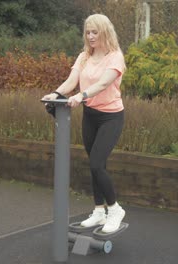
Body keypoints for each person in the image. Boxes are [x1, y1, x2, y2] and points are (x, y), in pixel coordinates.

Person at [41, 14, 126, 233]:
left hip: (111, 117)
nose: (90, 36)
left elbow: (104, 83)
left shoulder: (115, 56)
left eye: (94, 32)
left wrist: (81, 95)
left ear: (105, 32)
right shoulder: (84, 56)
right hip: (91, 115)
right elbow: (72, 81)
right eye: (87, 32)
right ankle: (99, 211)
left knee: (97, 163)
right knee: (95, 165)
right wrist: (56, 93)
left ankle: (115, 209)